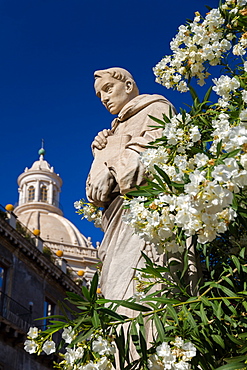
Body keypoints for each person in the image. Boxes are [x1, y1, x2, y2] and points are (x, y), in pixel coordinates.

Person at [86, 67, 177, 301]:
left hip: (146, 221)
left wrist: (111, 162)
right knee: (118, 301)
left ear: (127, 86)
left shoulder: (158, 108)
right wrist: (101, 152)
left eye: (108, 89)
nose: (104, 98)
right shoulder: (111, 132)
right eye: (99, 96)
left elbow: (144, 164)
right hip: (116, 224)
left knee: (143, 298)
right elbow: (94, 192)